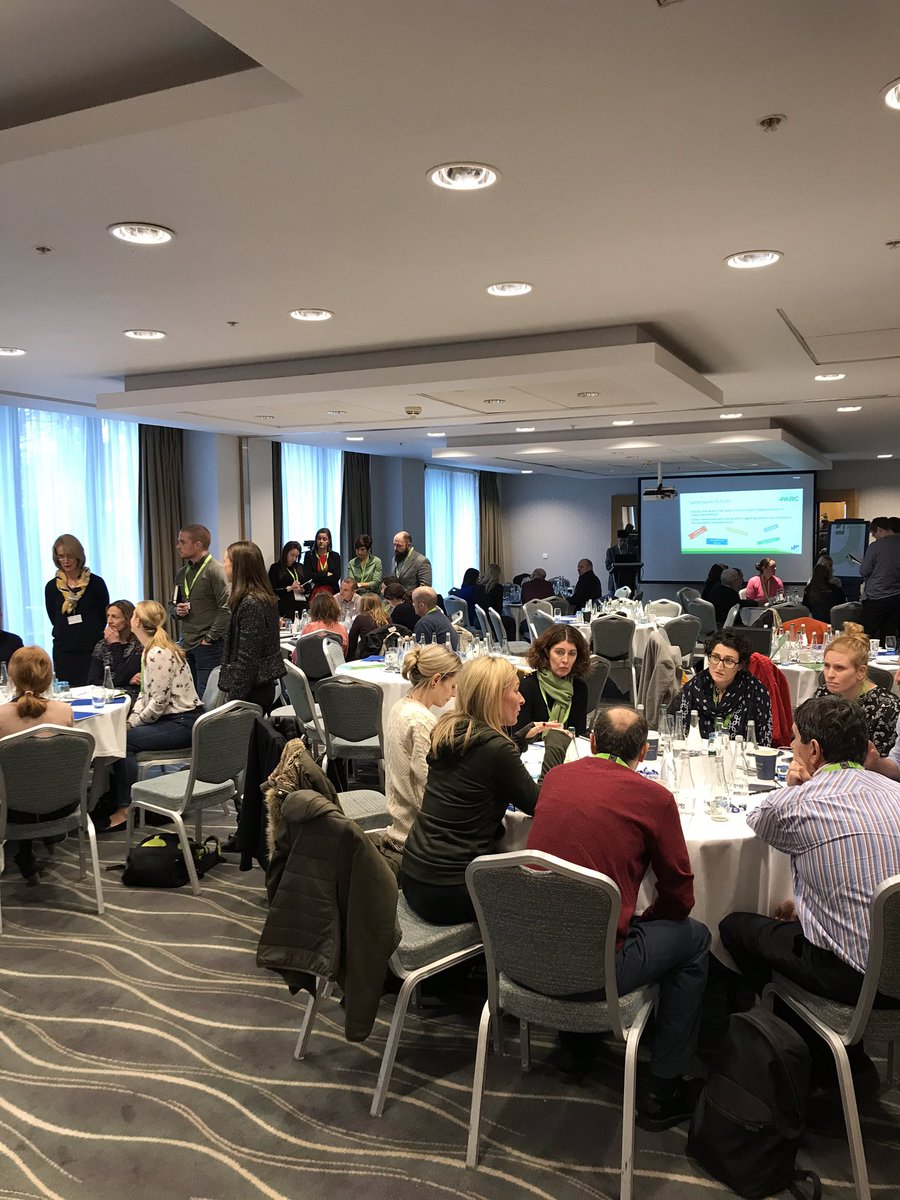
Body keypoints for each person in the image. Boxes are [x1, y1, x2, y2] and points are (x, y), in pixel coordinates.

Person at [527, 705, 709, 1129]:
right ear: (643, 753)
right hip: (598, 970)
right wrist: (646, 919)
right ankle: (663, 1090)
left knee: (581, 917)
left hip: (524, 953)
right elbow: (680, 898)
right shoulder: (655, 799)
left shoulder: (555, 778)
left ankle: (576, 1046)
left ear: (591, 742)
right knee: (696, 938)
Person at [720, 697, 900, 1044]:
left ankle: (798, 1033)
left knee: (734, 926)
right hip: (893, 966)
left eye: (794, 738)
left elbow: (759, 820)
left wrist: (796, 787)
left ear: (813, 750)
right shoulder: (894, 791)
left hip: (854, 979)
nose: (791, 746)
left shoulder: (800, 803)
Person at [401, 656, 567, 924]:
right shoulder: (497, 750)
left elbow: (478, 763)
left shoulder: (448, 729)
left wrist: (517, 740)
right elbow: (541, 806)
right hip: (449, 890)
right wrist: (555, 748)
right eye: (515, 691)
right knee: (551, 896)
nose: (522, 700)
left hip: (414, 874)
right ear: (494, 697)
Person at [106, 601, 204, 830]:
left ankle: (125, 808)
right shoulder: (151, 650)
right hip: (175, 719)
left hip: (183, 722)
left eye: (133, 615)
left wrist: (133, 725)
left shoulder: (157, 653)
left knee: (123, 741)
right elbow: (144, 694)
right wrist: (132, 720)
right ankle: (117, 800)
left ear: (137, 622)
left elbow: (158, 704)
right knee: (122, 734)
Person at [376, 644, 461, 874]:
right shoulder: (421, 721)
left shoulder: (401, 705)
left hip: (402, 824)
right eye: (452, 686)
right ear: (436, 680)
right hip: (416, 837)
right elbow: (432, 786)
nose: (454, 694)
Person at [0, 646, 76, 883]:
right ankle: (39, 844)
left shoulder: (1, 716)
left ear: (11, 677)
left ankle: (24, 853)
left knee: (16, 780)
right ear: (48, 677)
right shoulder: (65, 711)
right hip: (64, 807)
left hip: (13, 813)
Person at [218, 540, 286, 713]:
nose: (223, 565)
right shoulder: (260, 598)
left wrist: (233, 700)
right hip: (256, 686)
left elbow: (247, 659)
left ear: (238, 566)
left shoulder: (251, 603)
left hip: (251, 690)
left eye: (226, 561)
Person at [814, 622, 900, 757]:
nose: (829, 674)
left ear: (861, 672)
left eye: (839, 668)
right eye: (826, 666)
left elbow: (884, 760)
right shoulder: (823, 694)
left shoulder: (886, 707)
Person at [678, 629, 773, 744]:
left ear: (740, 665)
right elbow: (679, 736)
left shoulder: (756, 692)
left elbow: (763, 743)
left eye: (728, 661)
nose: (719, 666)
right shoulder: (694, 688)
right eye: (715, 657)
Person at [171, 524, 230, 695]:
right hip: (186, 643)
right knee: (189, 695)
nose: (178, 546)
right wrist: (176, 611)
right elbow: (172, 604)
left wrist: (210, 638)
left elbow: (226, 607)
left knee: (208, 696)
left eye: (182, 542)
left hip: (208, 646)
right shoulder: (182, 573)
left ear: (197, 545)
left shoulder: (215, 570)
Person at [44, 534, 109, 686]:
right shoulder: (52, 587)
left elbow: (103, 616)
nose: (65, 561)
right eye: (61, 557)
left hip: (92, 650)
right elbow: (54, 618)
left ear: (78, 556)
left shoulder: (96, 583)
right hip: (64, 652)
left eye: (69, 556)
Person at [515, 624, 591, 736]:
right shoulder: (528, 686)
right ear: (546, 652)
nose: (565, 660)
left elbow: (579, 733)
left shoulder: (579, 687)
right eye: (559, 652)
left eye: (572, 654)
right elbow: (519, 735)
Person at [87, 600, 142, 701]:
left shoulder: (138, 644)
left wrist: (115, 644)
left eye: (114, 617)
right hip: (106, 696)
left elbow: (122, 675)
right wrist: (126, 681)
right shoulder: (102, 645)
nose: (109, 621)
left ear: (127, 620)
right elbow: (92, 681)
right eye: (108, 616)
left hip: (131, 697)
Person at [860, 516, 900, 642]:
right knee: (889, 634)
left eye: (874, 533)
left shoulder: (875, 547)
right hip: (896, 596)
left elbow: (864, 570)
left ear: (879, 529)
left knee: (866, 634)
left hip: (876, 596)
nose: (874, 537)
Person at [268, 541, 306, 622]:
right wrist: (289, 588)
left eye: (297, 556)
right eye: (292, 555)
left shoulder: (300, 567)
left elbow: (308, 586)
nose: (294, 559)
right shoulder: (276, 568)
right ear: (285, 553)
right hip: (285, 605)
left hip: (301, 604)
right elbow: (272, 589)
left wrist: (302, 589)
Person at [347, 592, 390, 660]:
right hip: (385, 654)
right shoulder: (387, 618)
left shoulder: (361, 618)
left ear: (363, 605)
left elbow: (352, 640)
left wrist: (348, 660)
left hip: (367, 655)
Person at [302, 527, 342, 600]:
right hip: (314, 589)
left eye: (324, 539)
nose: (321, 541)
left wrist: (317, 576)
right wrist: (325, 574)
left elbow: (336, 577)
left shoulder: (335, 556)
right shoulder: (309, 555)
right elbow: (308, 575)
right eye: (319, 538)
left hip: (331, 590)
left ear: (329, 541)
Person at [605, 530, 639, 595]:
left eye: (625, 541)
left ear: (627, 539)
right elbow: (608, 566)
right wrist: (614, 567)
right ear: (618, 539)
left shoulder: (634, 550)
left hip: (629, 581)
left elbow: (637, 564)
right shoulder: (611, 551)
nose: (623, 542)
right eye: (621, 541)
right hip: (615, 582)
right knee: (613, 600)